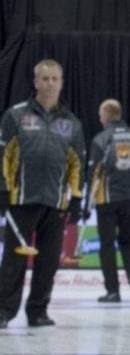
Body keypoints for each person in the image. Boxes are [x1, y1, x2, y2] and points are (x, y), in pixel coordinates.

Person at [0, 59, 85, 329]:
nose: (49, 83)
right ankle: (4, 310)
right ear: (35, 82)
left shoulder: (72, 123)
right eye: (44, 78)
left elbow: (77, 164)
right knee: (14, 260)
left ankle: (38, 311)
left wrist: (76, 197)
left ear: (61, 83)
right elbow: (3, 155)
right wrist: (3, 188)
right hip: (21, 199)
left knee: (48, 262)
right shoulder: (15, 116)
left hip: (56, 202)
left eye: (54, 79)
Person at [85, 99, 130, 303]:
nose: (99, 119)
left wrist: (89, 202)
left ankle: (113, 291)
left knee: (107, 245)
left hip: (106, 200)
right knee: (129, 241)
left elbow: (94, 172)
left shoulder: (101, 139)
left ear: (106, 115)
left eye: (100, 115)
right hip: (129, 199)